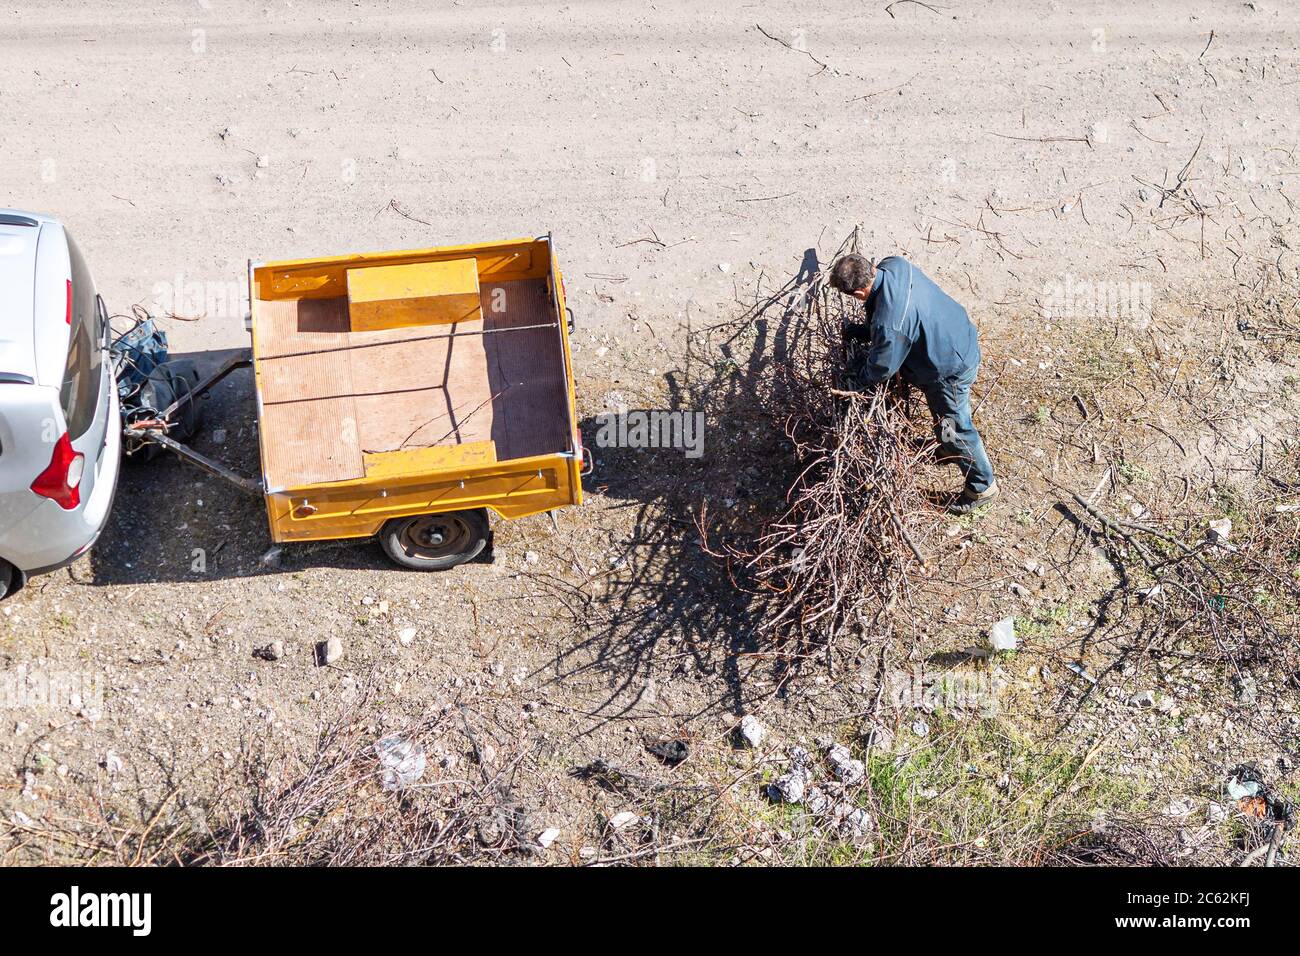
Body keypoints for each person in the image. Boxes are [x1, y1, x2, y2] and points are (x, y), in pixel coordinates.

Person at [828, 253, 997, 514]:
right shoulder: (894, 264)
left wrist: (854, 383)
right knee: (946, 422)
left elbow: (881, 366)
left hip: (949, 369)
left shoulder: (891, 323)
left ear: (860, 293)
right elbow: (899, 316)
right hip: (958, 335)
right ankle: (947, 450)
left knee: (954, 427)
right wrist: (866, 331)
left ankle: (982, 486)